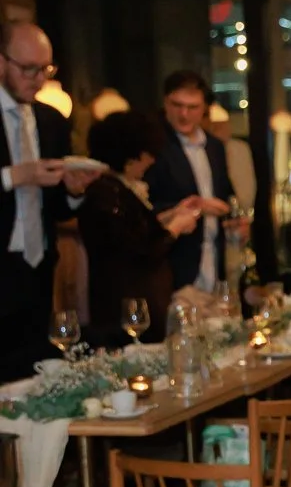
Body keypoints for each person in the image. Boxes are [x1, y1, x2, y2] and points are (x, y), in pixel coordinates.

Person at [0, 19, 100, 384]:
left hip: (38, 267)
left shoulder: (52, 120)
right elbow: (21, 178)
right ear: (1, 61)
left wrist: (74, 191)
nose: (39, 79)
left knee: (31, 377)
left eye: (46, 69)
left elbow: (56, 208)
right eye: (28, 69)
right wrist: (14, 176)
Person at [78, 111, 203, 347]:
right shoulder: (106, 192)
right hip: (124, 302)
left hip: (136, 300)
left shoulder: (118, 189)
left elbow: (136, 230)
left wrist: (171, 215)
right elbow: (142, 250)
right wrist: (176, 226)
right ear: (132, 155)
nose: (152, 161)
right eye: (148, 154)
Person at [146, 72, 232, 291]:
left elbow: (225, 194)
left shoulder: (214, 147)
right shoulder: (154, 145)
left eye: (192, 107)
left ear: (205, 109)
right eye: (177, 105)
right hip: (174, 263)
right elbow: (144, 204)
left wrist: (232, 218)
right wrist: (195, 207)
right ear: (165, 103)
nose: (184, 114)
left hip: (213, 258)